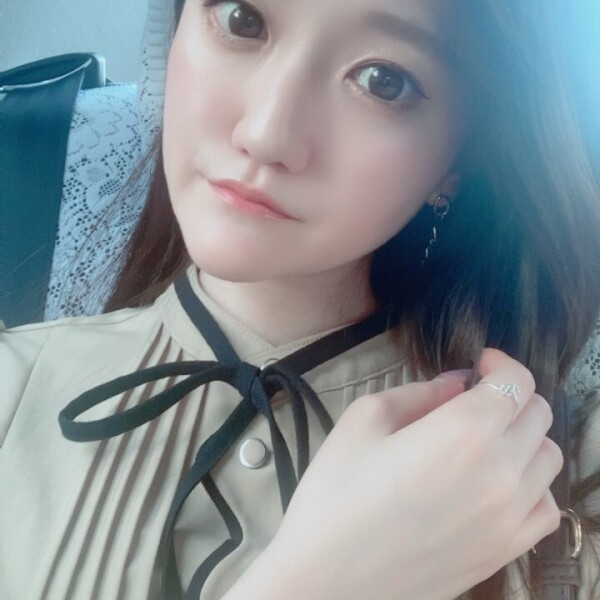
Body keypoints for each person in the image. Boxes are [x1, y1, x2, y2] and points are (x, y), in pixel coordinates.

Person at [1, 0, 599, 598]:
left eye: (383, 81)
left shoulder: (567, 472)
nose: (266, 134)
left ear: (458, 162)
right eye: (242, 20)